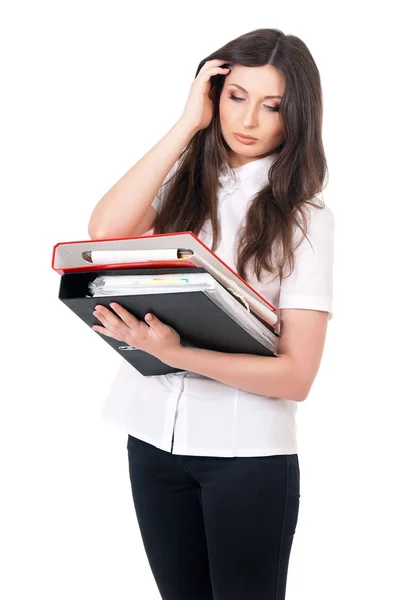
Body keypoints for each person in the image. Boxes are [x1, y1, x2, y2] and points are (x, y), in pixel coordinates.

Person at [88, 28, 335, 600]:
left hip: (245, 457)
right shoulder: (186, 186)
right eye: (235, 96)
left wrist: (176, 354)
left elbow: (297, 375)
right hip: (152, 443)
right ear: (213, 97)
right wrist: (185, 126)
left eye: (271, 105)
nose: (247, 119)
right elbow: (105, 231)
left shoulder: (306, 216)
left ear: (295, 116)